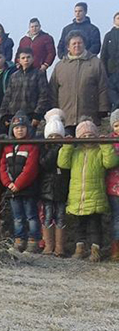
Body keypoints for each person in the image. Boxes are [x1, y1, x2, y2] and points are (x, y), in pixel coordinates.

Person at [58, 119, 119, 261]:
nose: (87, 138)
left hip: (95, 195)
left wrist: (105, 146)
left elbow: (110, 162)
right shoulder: (75, 152)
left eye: (91, 135)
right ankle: (79, 248)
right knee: (79, 225)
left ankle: (95, 249)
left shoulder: (99, 151)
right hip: (78, 196)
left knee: (94, 225)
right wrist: (67, 146)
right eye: (84, 136)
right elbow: (63, 163)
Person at [50, 32, 111, 132]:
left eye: (80, 43)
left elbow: (103, 87)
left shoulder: (96, 63)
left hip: (89, 118)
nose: (77, 45)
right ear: (68, 47)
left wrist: (103, 109)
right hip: (66, 119)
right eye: (74, 44)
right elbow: (53, 90)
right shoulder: (60, 66)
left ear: (84, 45)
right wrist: (55, 111)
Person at [0, 112, 40, 253]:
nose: (19, 130)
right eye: (16, 128)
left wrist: (18, 184)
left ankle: (33, 240)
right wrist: (8, 183)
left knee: (31, 216)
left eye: (23, 127)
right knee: (17, 217)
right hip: (12, 189)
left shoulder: (32, 146)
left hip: (28, 188)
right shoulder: (8, 147)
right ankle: (19, 240)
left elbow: (30, 168)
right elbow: (3, 167)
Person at [40, 109, 71, 257]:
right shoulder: (45, 150)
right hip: (47, 188)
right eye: (51, 136)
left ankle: (59, 247)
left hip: (61, 188)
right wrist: (54, 149)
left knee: (60, 216)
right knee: (47, 216)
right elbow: (45, 164)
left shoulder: (66, 149)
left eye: (57, 136)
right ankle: (48, 245)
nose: (54, 138)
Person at [0, 47, 50, 130]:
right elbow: (7, 96)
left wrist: (37, 115)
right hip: (14, 115)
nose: (26, 60)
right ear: (19, 60)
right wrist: (3, 115)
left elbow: (43, 95)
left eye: (28, 57)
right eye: (23, 58)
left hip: (31, 115)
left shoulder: (39, 74)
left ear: (33, 59)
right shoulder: (13, 76)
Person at [105, 109, 119, 260]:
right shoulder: (108, 141)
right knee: (116, 218)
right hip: (114, 186)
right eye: (116, 125)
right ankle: (115, 249)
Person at [103, 13, 119, 110]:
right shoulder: (108, 36)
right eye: (118, 18)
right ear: (114, 21)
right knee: (113, 93)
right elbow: (104, 54)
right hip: (112, 70)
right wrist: (104, 70)